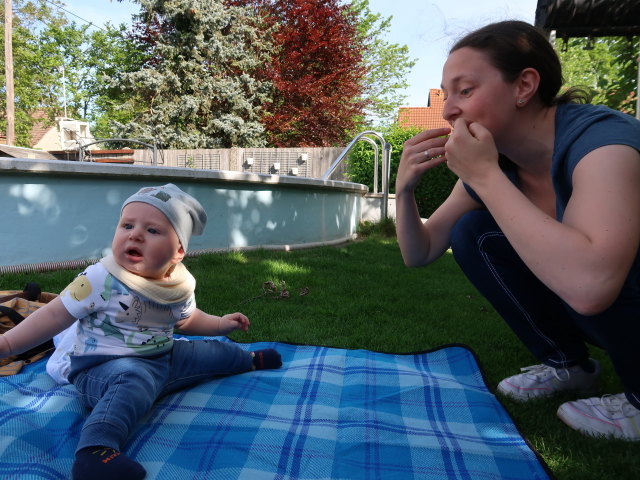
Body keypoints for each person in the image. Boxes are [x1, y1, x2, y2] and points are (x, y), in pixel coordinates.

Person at [395, 20, 640, 441]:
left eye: (465, 90)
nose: (449, 109)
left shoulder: (603, 143)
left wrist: (487, 177)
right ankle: (569, 367)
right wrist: (403, 192)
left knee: (594, 259)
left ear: (524, 86)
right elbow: (422, 251)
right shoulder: (498, 164)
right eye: (447, 94)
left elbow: (591, 285)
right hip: (602, 306)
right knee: (473, 232)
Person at [0, 183, 282, 479]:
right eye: (127, 225)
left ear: (178, 251)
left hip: (162, 358)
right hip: (101, 370)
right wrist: (7, 343)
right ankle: (95, 452)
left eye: (152, 230)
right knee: (131, 381)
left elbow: (185, 320)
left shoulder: (177, 285)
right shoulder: (100, 279)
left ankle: (246, 360)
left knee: (210, 350)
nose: (135, 234)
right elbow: (55, 314)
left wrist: (221, 323)